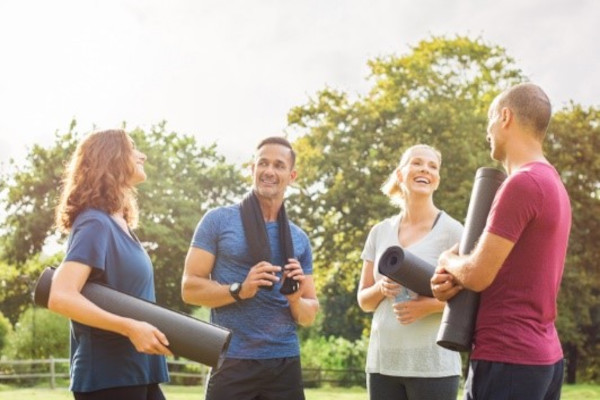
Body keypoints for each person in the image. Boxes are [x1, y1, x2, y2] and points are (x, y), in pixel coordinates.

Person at [431, 83, 571, 400]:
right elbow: (506, 259)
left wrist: (446, 261)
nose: (488, 133)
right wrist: (452, 271)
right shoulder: (553, 183)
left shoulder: (521, 184)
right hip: (544, 358)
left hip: (509, 357)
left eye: (490, 121)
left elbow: (478, 274)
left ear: (505, 117)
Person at [181, 136, 319, 400]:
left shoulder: (299, 239)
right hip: (232, 360)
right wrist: (239, 290)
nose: (269, 171)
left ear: (292, 175)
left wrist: (294, 299)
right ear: (251, 169)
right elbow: (189, 288)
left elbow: (309, 314)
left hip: (284, 363)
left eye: (279, 165)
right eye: (263, 163)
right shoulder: (218, 221)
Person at [48, 129, 171, 400]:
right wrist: (130, 328)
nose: (143, 155)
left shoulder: (118, 223)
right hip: (109, 379)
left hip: (140, 372)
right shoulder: (95, 223)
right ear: (112, 159)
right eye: (132, 149)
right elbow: (60, 296)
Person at [357, 144, 463, 400]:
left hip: (433, 365)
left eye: (433, 166)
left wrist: (426, 306)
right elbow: (364, 301)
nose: (425, 169)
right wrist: (381, 288)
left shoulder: (454, 232)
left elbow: (471, 299)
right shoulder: (380, 232)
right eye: (416, 162)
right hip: (383, 364)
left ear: (436, 180)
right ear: (400, 173)